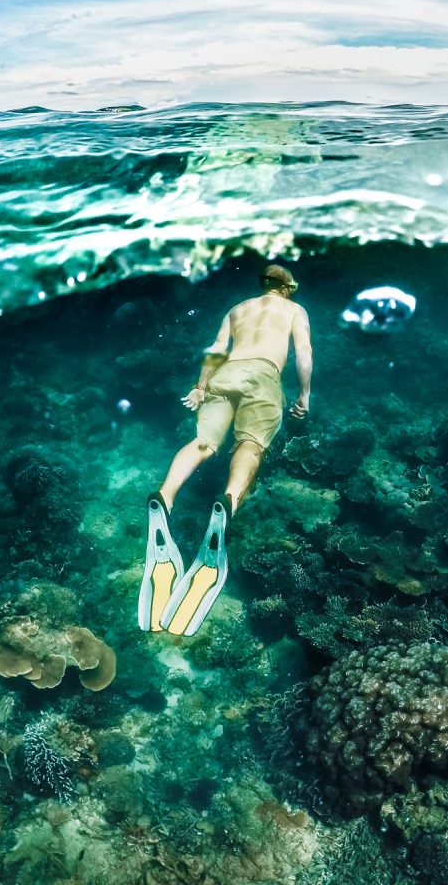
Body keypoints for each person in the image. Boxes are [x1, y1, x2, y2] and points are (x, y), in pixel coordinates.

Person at [138, 264, 312, 636]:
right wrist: (304, 396)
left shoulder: (237, 309)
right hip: (264, 374)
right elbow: (303, 353)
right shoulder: (294, 310)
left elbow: (217, 350)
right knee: (250, 445)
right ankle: (227, 504)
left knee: (203, 443)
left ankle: (165, 497)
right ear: (287, 288)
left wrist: (200, 386)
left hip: (225, 373)